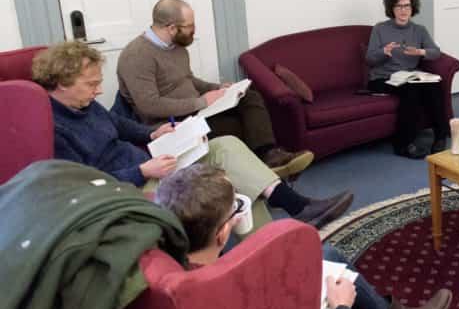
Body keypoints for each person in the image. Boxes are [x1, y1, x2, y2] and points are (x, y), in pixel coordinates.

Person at [156, 164, 453, 309]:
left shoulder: (164, 267)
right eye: (236, 208)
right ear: (222, 233)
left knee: (326, 255)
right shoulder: (245, 306)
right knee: (338, 279)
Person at [34, 41, 351, 229]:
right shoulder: (52, 129)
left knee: (225, 145)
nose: (98, 89)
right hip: (133, 184)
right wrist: (141, 171)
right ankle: (277, 232)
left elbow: (119, 125)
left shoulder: (86, 105)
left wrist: (152, 131)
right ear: (61, 82)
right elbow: (88, 185)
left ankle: (293, 208)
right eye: (91, 84)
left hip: (153, 161)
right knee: (231, 185)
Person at [116, 0, 313, 177]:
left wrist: (219, 89)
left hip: (196, 111)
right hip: (171, 125)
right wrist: (201, 101)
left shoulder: (176, 47)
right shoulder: (136, 56)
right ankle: (269, 171)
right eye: (190, 26)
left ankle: (269, 155)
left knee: (249, 97)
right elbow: (149, 106)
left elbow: (188, 79)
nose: (194, 31)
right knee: (237, 127)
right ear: (171, 28)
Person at [366, 0, 449, 159]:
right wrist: (384, 52)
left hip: (410, 76)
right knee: (411, 91)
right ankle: (403, 144)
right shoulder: (380, 29)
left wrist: (421, 52)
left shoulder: (419, 30)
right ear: (391, 9)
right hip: (383, 78)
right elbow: (370, 59)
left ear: (413, 8)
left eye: (407, 6)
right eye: (399, 6)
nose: (403, 10)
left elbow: (436, 52)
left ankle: (440, 136)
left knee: (435, 85)